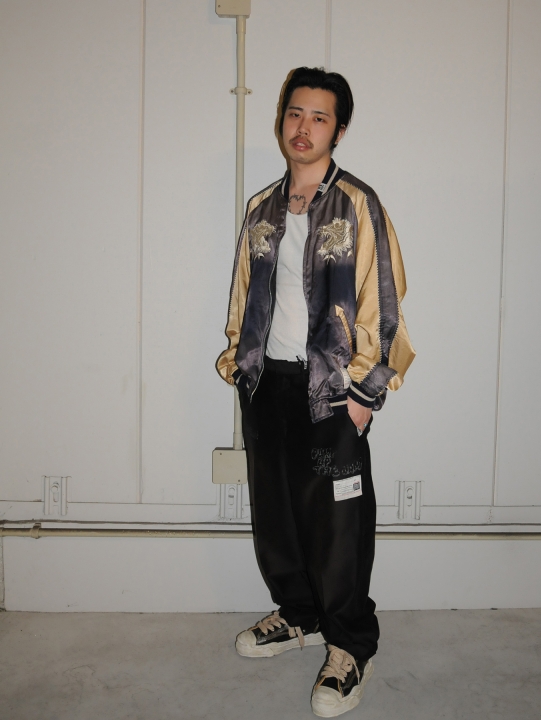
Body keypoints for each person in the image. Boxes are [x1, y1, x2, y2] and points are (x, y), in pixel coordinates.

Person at [216, 66, 415, 717]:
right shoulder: (261, 208)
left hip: (332, 392)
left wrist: (366, 392)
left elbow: (385, 301)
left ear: (339, 129)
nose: (303, 127)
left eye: (319, 117)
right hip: (266, 385)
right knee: (276, 514)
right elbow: (244, 294)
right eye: (294, 113)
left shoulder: (356, 204)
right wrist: (239, 364)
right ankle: (298, 613)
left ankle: (350, 645)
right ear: (282, 119)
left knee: (337, 523)